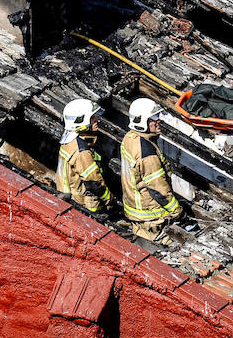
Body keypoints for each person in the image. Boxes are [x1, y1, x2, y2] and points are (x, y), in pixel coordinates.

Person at [120, 97, 181, 243]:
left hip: (136, 209)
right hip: (151, 216)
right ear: (142, 121)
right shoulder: (147, 153)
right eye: (154, 117)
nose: (158, 120)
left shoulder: (129, 138)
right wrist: (178, 212)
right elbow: (158, 189)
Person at [57, 98, 114, 214]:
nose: (96, 119)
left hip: (69, 198)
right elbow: (94, 182)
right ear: (80, 121)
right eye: (92, 117)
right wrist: (110, 200)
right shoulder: (82, 152)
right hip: (85, 205)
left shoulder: (69, 140)